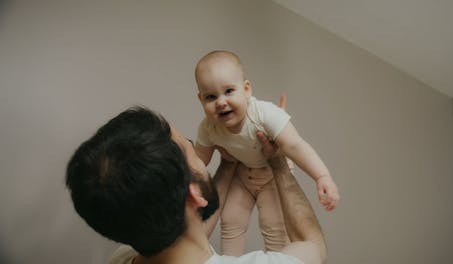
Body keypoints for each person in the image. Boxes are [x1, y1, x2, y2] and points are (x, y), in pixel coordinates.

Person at [66, 106, 326, 264]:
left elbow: (188, 227)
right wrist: (279, 160)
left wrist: (230, 159)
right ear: (194, 193)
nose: (197, 150)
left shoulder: (121, 257)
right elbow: (312, 245)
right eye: (191, 148)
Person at [194, 50, 339, 255]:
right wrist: (185, 185)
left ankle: (278, 259)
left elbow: (296, 145)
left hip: (272, 174)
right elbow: (198, 161)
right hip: (243, 174)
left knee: (273, 226)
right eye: (210, 96)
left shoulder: (264, 114)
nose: (220, 102)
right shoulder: (209, 127)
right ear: (201, 100)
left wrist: (322, 176)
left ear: (246, 90)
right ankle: (230, 261)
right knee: (231, 219)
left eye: (228, 91)